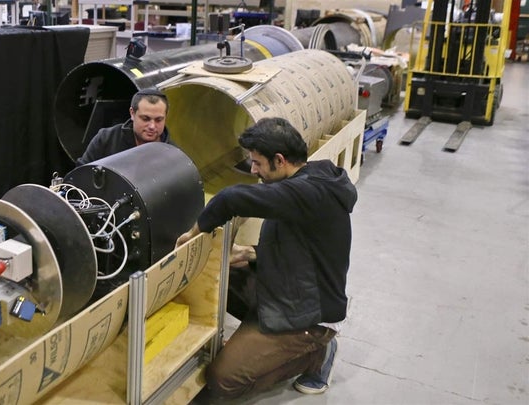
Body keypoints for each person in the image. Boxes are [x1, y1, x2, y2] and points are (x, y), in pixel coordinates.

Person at [176, 117, 358, 399]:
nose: (253, 170)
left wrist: (193, 233)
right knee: (217, 275)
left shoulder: (307, 192)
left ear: (280, 160)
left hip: (310, 314)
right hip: (290, 287)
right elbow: (303, 246)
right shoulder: (305, 180)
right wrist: (251, 253)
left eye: (258, 163)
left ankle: (314, 355)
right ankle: (259, 342)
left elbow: (230, 198)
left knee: (222, 379)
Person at [76, 88, 173, 165]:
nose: (152, 126)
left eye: (158, 120)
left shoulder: (174, 155)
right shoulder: (107, 139)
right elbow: (80, 174)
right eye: (145, 119)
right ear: (132, 113)